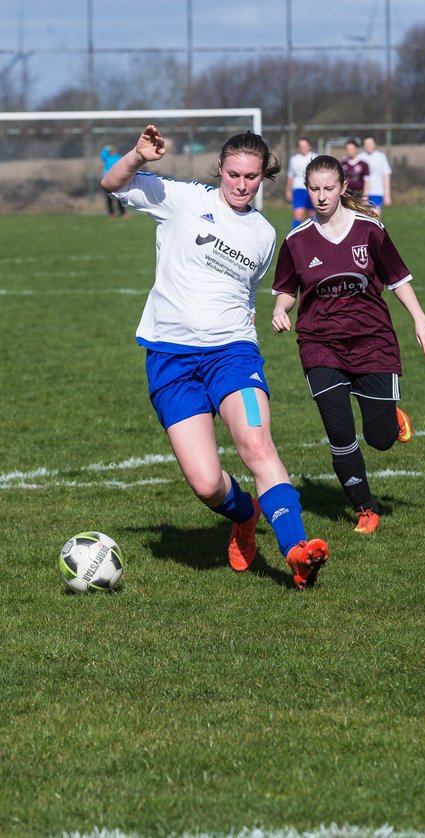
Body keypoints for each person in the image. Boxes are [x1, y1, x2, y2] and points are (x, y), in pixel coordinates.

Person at [100, 124, 330, 589]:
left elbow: (244, 296)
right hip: (170, 358)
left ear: (263, 177)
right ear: (219, 170)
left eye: (251, 177)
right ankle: (244, 516)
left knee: (258, 445)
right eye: (233, 174)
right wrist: (138, 156)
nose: (241, 185)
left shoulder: (265, 235)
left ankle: (297, 552)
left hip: (232, 353)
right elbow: (113, 184)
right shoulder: (183, 199)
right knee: (206, 484)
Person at [271, 155, 425, 534]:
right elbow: (285, 289)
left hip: (372, 340)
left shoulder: (369, 230)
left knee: (379, 439)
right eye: (313, 188)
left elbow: (397, 278)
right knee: (340, 431)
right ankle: (366, 507)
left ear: (343, 188)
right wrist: (280, 310)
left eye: (328, 188)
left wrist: (421, 319)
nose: (320, 196)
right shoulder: (296, 239)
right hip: (320, 343)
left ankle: (390, 417)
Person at [285, 137, 316, 230]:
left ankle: (314, 236)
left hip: (312, 189)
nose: (303, 148)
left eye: (305, 145)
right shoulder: (294, 159)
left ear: (309, 146)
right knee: (298, 215)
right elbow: (290, 176)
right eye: (300, 146)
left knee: (313, 215)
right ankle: (295, 237)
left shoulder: (315, 157)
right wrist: (288, 190)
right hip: (298, 189)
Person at [361, 135, 393, 216]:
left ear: (374, 144)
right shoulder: (360, 157)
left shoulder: (380, 157)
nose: (368, 146)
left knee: (375, 216)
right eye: (366, 144)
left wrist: (387, 195)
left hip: (376, 192)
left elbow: (386, 176)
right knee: (364, 217)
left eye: (370, 143)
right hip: (363, 193)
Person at [99, 145, 127, 218]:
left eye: (113, 150)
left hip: (117, 178)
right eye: (111, 150)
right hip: (107, 178)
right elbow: (102, 155)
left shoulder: (118, 157)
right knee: (109, 197)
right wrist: (106, 148)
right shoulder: (107, 157)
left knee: (119, 196)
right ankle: (111, 213)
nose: (112, 151)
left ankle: (123, 213)